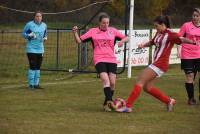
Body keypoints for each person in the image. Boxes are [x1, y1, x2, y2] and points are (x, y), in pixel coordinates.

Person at [116, 15, 196, 113]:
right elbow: (152, 42)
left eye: (157, 26)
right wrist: (143, 45)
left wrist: (193, 42)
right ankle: (169, 101)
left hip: (161, 63)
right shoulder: (159, 33)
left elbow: (182, 39)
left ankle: (128, 106)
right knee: (147, 87)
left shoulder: (170, 34)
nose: (156, 28)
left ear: (163, 25)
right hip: (156, 63)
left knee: (140, 80)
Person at [72, 13, 129, 111]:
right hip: (99, 59)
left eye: (107, 23)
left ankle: (106, 104)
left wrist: (121, 41)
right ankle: (110, 102)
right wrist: (75, 33)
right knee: (105, 80)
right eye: (103, 23)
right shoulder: (93, 31)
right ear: (99, 22)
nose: (105, 25)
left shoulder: (113, 31)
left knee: (112, 83)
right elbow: (79, 41)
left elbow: (127, 37)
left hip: (111, 59)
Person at [177, 8, 200, 105]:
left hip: (199, 55)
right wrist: (178, 50)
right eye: (194, 15)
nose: (195, 17)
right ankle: (191, 99)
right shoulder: (186, 25)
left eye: (197, 16)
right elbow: (178, 38)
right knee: (190, 76)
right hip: (187, 55)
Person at [22, 11, 47, 89]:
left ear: (42, 17)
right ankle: (31, 85)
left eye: (40, 16)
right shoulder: (29, 24)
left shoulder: (44, 25)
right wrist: (29, 36)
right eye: (37, 16)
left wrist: (45, 38)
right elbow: (23, 34)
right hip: (31, 49)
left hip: (40, 49)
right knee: (32, 66)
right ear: (34, 17)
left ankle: (36, 84)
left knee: (38, 67)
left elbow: (45, 34)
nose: (38, 18)